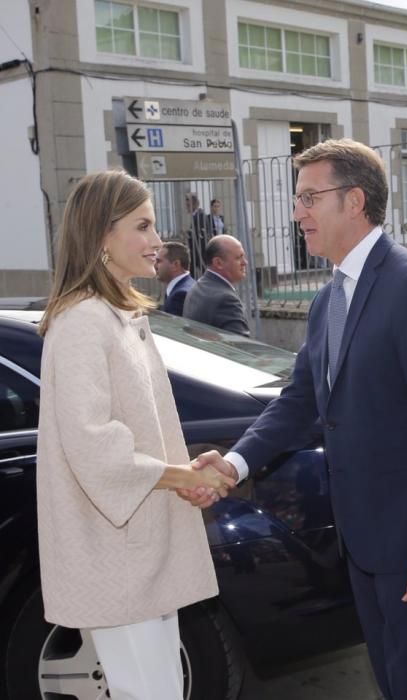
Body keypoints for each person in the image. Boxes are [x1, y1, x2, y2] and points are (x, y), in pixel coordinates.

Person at [190, 139, 407, 699]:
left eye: (309, 197)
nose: (297, 213)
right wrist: (235, 463)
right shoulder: (327, 299)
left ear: (355, 200)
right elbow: (300, 400)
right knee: (392, 684)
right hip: (358, 542)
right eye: (296, 198)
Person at [35, 170, 235, 700]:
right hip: (116, 554)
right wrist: (183, 476)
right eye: (142, 227)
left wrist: (181, 476)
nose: (158, 242)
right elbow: (93, 444)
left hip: (138, 549)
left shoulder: (117, 314)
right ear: (102, 235)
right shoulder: (82, 322)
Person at [182, 234, 250, 336]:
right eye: (238, 258)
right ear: (218, 263)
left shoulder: (198, 287)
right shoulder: (226, 299)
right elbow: (240, 346)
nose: (245, 262)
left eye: (243, 256)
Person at [155, 240, 194, 316]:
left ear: (176, 264)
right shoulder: (187, 285)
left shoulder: (180, 295)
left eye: (158, 261)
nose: (155, 266)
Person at [185, 192, 209, 276]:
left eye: (188, 205)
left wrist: (189, 234)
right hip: (195, 252)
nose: (186, 207)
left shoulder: (200, 215)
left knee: (203, 273)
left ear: (194, 204)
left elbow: (201, 234)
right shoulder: (195, 216)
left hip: (199, 251)